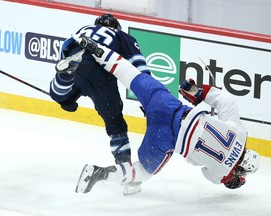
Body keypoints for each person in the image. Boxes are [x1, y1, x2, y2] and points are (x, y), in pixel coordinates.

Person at [72, 35, 260, 194]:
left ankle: (98, 50)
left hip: (170, 108)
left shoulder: (240, 134)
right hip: (165, 138)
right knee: (142, 172)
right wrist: (231, 180)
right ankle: (99, 173)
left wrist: (198, 93)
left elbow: (227, 102)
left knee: (132, 75)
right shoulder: (221, 173)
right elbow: (209, 174)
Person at [49, 14, 150, 195]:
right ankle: (128, 179)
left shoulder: (83, 29)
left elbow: (65, 49)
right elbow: (140, 69)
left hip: (77, 62)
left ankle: (64, 78)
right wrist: (149, 98)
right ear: (117, 27)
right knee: (116, 124)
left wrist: (69, 100)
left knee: (60, 95)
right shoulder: (122, 37)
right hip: (100, 73)